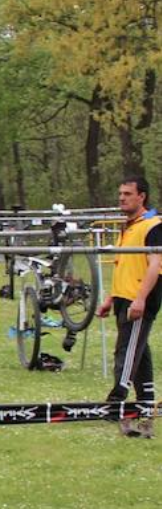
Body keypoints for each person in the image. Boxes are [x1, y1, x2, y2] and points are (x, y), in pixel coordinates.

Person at [96, 176, 161, 438]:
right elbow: (123, 265)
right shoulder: (129, 226)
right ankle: (146, 403)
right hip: (123, 297)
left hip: (139, 298)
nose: (121, 198)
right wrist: (111, 298)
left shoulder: (153, 226)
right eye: (120, 193)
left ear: (141, 196)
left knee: (126, 351)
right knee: (138, 352)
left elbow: (155, 265)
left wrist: (141, 299)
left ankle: (116, 401)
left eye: (127, 194)